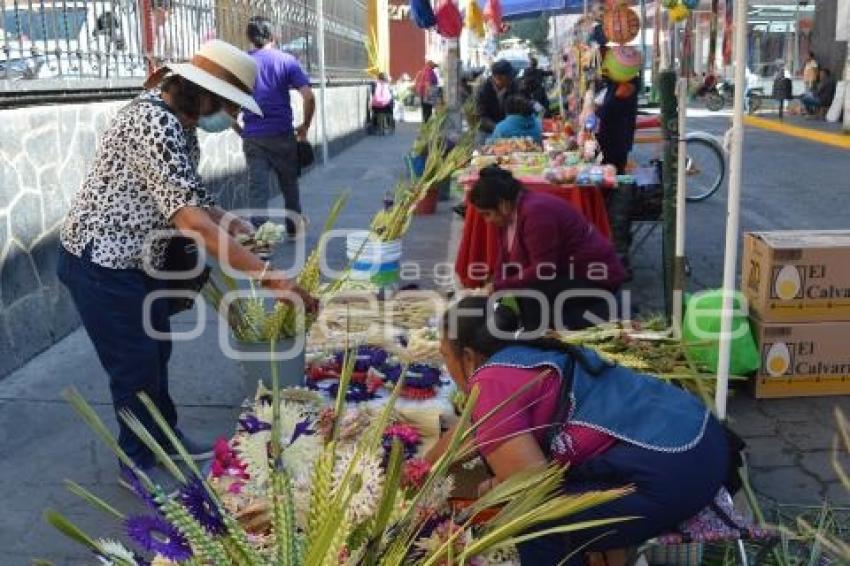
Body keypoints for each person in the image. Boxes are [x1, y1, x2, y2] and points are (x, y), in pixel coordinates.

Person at [57, 39, 317, 477]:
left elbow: (194, 197)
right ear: (204, 92)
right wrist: (271, 277)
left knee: (156, 352)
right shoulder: (153, 124)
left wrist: (236, 227)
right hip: (100, 263)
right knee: (134, 366)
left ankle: (165, 437)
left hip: (138, 262)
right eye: (231, 106)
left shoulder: (179, 123)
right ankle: (137, 464)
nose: (232, 118)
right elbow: (193, 223)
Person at [429, 295, 732, 565]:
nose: (446, 368)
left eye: (445, 356)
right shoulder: (525, 354)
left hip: (679, 468)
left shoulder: (490, 382)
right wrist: (421, 470)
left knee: (532, 518)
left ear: (468, 357)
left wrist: (498, 487)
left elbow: (532, 486)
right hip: (703, 437)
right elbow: (470, 428)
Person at [469, 166, 625, 330]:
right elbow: (505, 258)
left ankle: (538, 340)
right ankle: (530, 332)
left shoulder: (536, 213)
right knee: (519, 286)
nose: (487, 221)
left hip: (595, 276)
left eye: (487, 214)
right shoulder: (510, 214)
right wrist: (495, 285)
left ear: (502, 204)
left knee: (529, 289)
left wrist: (498, 287)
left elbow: (543, 270)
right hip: (566, 271)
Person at [242, 16, 316, 236]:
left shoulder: (242, 63)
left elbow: (230, 101)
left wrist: (239, 128)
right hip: (282, 134)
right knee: (289, 185)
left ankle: (260, 237)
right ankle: (294, 227)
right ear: (274, 36)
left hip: (253, 136)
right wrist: (305, 125)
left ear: (249, 38)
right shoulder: (287, 61)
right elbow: (309, 97)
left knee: (258, 190)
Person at [596, 75, 639, 175]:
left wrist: (597, 112)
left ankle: (615, 189)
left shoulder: (629, 82)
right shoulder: (612, 84)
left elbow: (610, 106)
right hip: (607, 138)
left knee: (613, 172)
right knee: (606, 172)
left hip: (617, 139)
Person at [475, 60, 519, 137]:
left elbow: (519, 106)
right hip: (488, 131)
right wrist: (498, 128)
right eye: (508, 78)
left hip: (509, 129)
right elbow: (482, 117)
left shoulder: (514, 86)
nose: (511, 80)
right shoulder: (483, 90)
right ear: (497, 77)